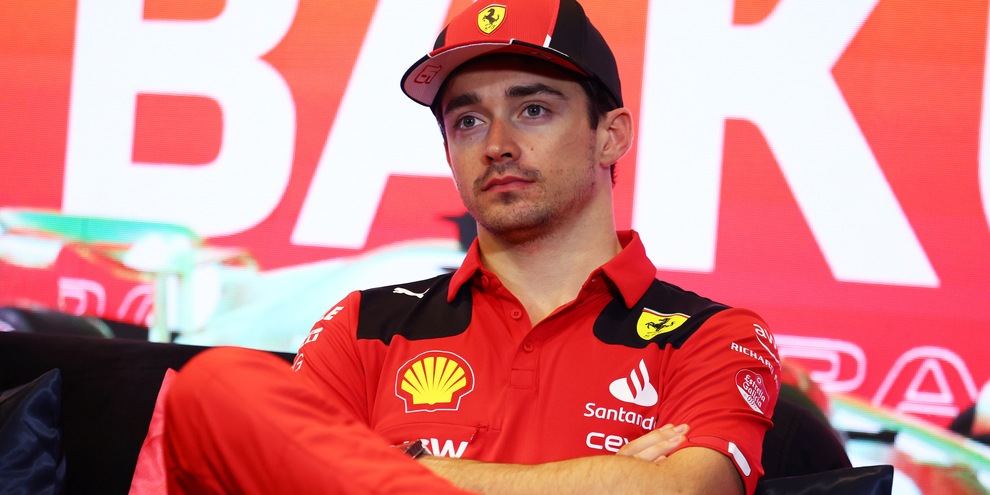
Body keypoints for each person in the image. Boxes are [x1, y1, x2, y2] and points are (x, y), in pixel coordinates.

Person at [163, 1, 781, 494]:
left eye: (533, 109)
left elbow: (683, 491)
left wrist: (403, 470)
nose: (497, 144)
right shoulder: (363, 324)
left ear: (610, 137)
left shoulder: (712, 335)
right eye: (468, 121)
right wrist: (607, 478)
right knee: (216, 384)